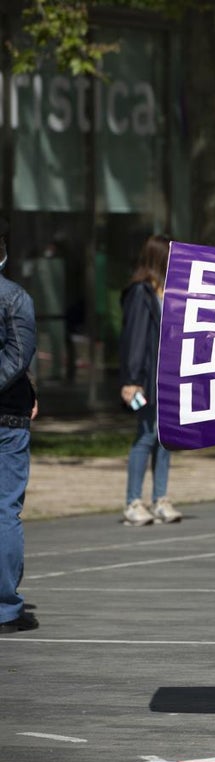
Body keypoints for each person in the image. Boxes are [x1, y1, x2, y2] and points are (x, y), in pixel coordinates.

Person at [120, 235, 181, 525]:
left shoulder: (167, 291)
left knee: (164, 438)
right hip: (146, 377)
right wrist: (132, 379)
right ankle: (133, 501)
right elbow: (135, 338)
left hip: (167, 377)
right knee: (145, 436)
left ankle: (160, 498)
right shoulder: (141, 292)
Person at [0, 215, 39, 633]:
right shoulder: (14, 297)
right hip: (6, 417)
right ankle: (5, 608)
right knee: (5, 509)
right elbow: (18, 354)